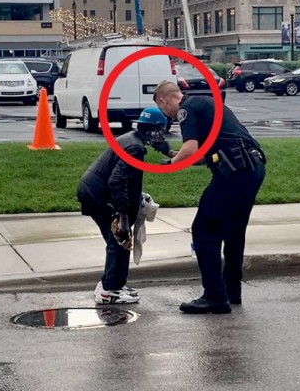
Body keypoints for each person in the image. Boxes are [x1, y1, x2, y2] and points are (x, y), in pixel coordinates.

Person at [154, 80, 266, 314]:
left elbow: (191, 149)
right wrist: (175, 155)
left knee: (204, 231)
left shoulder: (186, 109)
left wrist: (171, 163)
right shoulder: (207, 103)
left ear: (165, 100)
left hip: (234, 172)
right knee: (234, 230)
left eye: (163, 109)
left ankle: (214, 296)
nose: (168, 115)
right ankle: (231, 291)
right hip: (253, 167)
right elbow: (204, 155)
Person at [78, 107, 173, 305]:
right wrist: (122, 216)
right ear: (153, 130)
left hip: (93, 190)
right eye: (161, 130)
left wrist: (168, 150)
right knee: (118, 240)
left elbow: (156, 142)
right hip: (98, 195)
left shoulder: (132, 137)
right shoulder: (135, 148)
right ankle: (109, 290)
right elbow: (116, 182)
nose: (163, 134)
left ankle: (115, 285)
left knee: (122, 242)